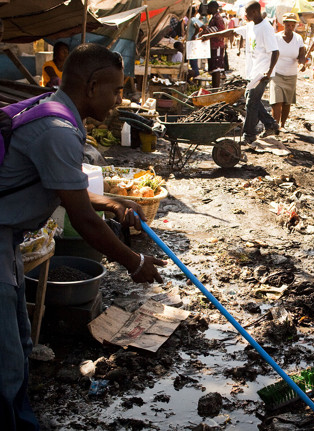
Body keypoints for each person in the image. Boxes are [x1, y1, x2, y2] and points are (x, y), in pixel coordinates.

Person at [0, 43, 166, 430]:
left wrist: (110, 203)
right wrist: (135, 261)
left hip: (7, 237)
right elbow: (83, 221)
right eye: (116, 90)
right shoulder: (58, 130)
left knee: (20, 344)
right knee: (6, 360)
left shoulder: (49, 108)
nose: (118, 100)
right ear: (92, 86)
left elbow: (63, 185)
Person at [200, 1, 280, 143]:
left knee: (250, 102)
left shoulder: (266, 28)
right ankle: (270, 124)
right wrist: (210, 36)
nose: (245, 15)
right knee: (251, 99)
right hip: (253, 71)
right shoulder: (250, 26)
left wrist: (269, 71)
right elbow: (231, 32)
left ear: (255, 12)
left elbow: (275, 51)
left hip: (262, 72)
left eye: (247, 13)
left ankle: (248, 135)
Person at [270, 13, 306, 130]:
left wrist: (302, 64)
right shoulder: (276, 38)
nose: (290, 27)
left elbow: (301, 55)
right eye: (287, 25)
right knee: (277, 102)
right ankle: (275, 126)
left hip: (291, 74)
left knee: (286, 103)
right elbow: (271, 54)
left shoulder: (298, 39)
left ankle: (282, 125)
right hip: (277, 73)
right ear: (283, 24)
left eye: (292, 25)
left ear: (295, 25)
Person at [198, 0, 227, 88]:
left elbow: (221, 31)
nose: (207, 9)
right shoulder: (213, 18)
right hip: (213, 46)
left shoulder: (217, 18)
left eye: (209, 7)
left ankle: (216, 88)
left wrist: (206, 33)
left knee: (216, 69)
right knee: (213, 68)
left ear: (214, 8)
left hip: (217, 46)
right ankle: (214, 87)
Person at [186, 7, 204, 78]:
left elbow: (197, 27)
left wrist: (194, 35)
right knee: (193, 62)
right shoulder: (195, 19)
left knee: (193, 62)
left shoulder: (192, 19)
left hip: (192, 43)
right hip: (192, 43)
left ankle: (196, 77)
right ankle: (195, 77)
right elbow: (203, 27)